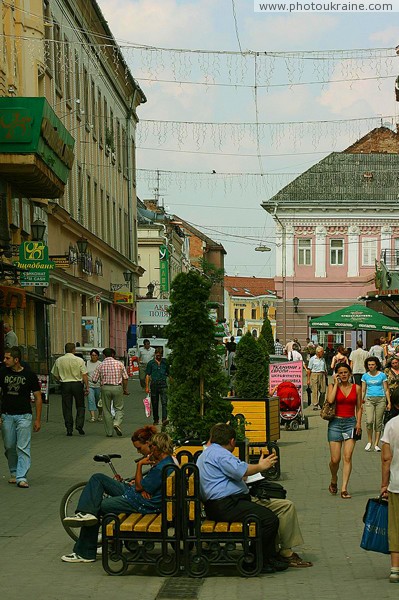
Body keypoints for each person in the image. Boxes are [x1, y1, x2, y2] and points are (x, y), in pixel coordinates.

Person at [61, 431, 175, 563]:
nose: (149, 450)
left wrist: (139, 466)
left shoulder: (162, 467)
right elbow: (141, 487)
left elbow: (139, 487)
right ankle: (86, 514)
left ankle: (85, 552)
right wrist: (140, 486)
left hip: (140, 502)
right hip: (136, 495)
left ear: (156, 447)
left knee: (99, 506)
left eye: (151, 447)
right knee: (98, 478)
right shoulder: (166, 462)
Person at [196, 423, 289, 574]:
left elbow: (235, 471)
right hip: (226, 505)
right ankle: (256, 560)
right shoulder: (220, 454)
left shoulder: (209, 452)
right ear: (232, 441)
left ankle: (266, 557)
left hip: (221, 504)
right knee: (269, 519)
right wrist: (261, 466)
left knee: (265, 516)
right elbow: (242, 470)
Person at [0, 346, 42, 488]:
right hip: (7, 416)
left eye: (7, 358)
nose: (4, 360)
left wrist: (37, 419)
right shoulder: (2, 373)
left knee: (23, 447)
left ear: (16, 360)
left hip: (24, 416)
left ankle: (21, 477)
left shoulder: (30, 375)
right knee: (9, 446)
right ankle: (13, 472)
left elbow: (38, 397)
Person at [325, 363, 362, 499]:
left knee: (347, 457)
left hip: (350, 424)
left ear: (350, 373)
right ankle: (334, 479)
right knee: (335, 459)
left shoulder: (356, 388)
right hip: (335, 424)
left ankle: (344, 488)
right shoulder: (332, 386)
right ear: (337, 375)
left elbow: (359, 407)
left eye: (346, 372)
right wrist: (335, 384)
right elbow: (330, 400)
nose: (343, 375)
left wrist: (358, 423)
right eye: (340, 373)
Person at [51, 342, 89, 436]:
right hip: (77, 385)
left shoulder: (59, 360)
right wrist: (87, 386)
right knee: (80, 405)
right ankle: (79, 425)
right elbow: (84, 374)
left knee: (67, 407)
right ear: (74, 350)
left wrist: (60, 379)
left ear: (65, 349)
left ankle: (69, 428)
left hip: (65, 385)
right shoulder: (79, 360)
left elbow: (54, 374)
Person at [91, 347, 129, 437]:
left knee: (106, 410)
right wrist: (125, 389)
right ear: (113, 354)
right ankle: (117, 423)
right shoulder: (119, 364)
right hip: (117, 387)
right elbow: (126, 377)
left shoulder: (100, 365)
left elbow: (94, 380)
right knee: (119, 408)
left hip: (105, 388)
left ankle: (109, 432)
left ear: (104, 355)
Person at [380, 413, 399, 583]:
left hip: (397, 485)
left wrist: (384, 485)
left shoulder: (392, 424)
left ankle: (395, 569)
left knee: (395, 526)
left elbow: (386, 458)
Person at [362, 357, 391, 452]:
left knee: (378, 422)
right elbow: (363, 390)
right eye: (369, 365)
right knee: (369, 421)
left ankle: (376, 444)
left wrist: (389, 402)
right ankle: (369, 441)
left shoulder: (382, 375)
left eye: (372, 364)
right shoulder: (365, 376)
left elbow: (386, 389)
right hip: (369, 399)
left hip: (381, 399)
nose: (371, 366)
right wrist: (361, 401)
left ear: (376, 365)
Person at [146, 347, 170, 426]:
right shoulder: (151, 363)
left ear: (162, 355)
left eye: (160, 355)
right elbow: (148, 375)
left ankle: (164, 419)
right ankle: (156, 419)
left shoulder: (165, 362)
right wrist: (147, 386)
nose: (158, 357)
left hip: (163, 384)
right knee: (155, 403)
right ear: (155, 354)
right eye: (157, 355)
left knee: (164, 402)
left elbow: (169, 374)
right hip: (154, 384)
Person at [306, 346, 328, 410]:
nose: (323, 353)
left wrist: (326, 377)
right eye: (322, 352)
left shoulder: (323, 359)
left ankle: (321, 403)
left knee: (323, 391)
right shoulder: (312, 359)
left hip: (322, 375)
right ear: (318, 352)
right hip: (314, 374)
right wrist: (308, 380)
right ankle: (315, 404)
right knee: (315, 390)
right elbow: (309, 370)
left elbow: (325, 369)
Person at [86, 349, 101, 422]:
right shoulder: (87, 363)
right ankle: (92, 417)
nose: (93, 357)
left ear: (98, 356)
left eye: (95, 355)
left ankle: (100, 414)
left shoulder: (100, 364)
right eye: (92, 355)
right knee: (91, 400)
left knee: (99, 401)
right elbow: (84, 374)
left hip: (99, 386)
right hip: (90, 385)